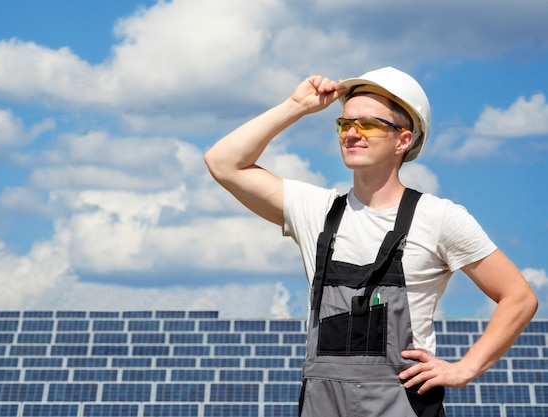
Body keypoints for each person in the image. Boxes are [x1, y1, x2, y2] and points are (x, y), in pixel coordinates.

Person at [204, 66, 538, 416]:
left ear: (403, 140)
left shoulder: (439, 217)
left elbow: (518, 297)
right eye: (345, 123)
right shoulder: (316, 211)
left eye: (369, 124)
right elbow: (223, 162)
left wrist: (465, 368)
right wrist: (296, 106)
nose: (352, 133)